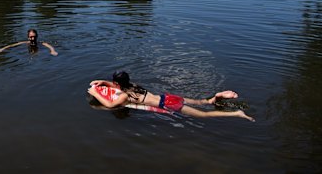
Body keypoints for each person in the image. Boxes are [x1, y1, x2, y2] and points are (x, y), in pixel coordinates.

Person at [88, 71, 254, 121]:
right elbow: (116, 84)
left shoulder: (123, 96)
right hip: (167, 97)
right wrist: (101, 81)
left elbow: (110, 105)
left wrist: (96, 92)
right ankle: (214, 98)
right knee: (203, 102)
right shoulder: (133, 86)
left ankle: (236, 113)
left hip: (169, 105)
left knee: (204, 115)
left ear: (116, 84)